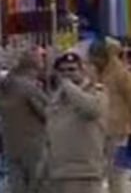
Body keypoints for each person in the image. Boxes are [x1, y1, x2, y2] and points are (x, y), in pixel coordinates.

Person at [45, 51, 108, 193]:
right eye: (62, 71)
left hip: (84, 172)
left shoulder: (96, 92)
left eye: (72, 69)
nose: (67, 74)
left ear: (82, 70)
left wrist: (68, 86)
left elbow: (91, 110)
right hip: (58, 172)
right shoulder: (56, 98)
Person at [90, 38, 131, 193]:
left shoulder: (123, 73)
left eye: (97, 56)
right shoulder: (96, 73)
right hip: (99, 130)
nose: (94, 60)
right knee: (98, 173)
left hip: (121, 132)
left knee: (117, 175)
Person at [0, 49, 50, 193]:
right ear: (33, 67)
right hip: (32, 144)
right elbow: (46, 112)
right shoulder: (29, 87)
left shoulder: (7, 84)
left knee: (17, 185)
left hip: (10, 142)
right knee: (38, 184)